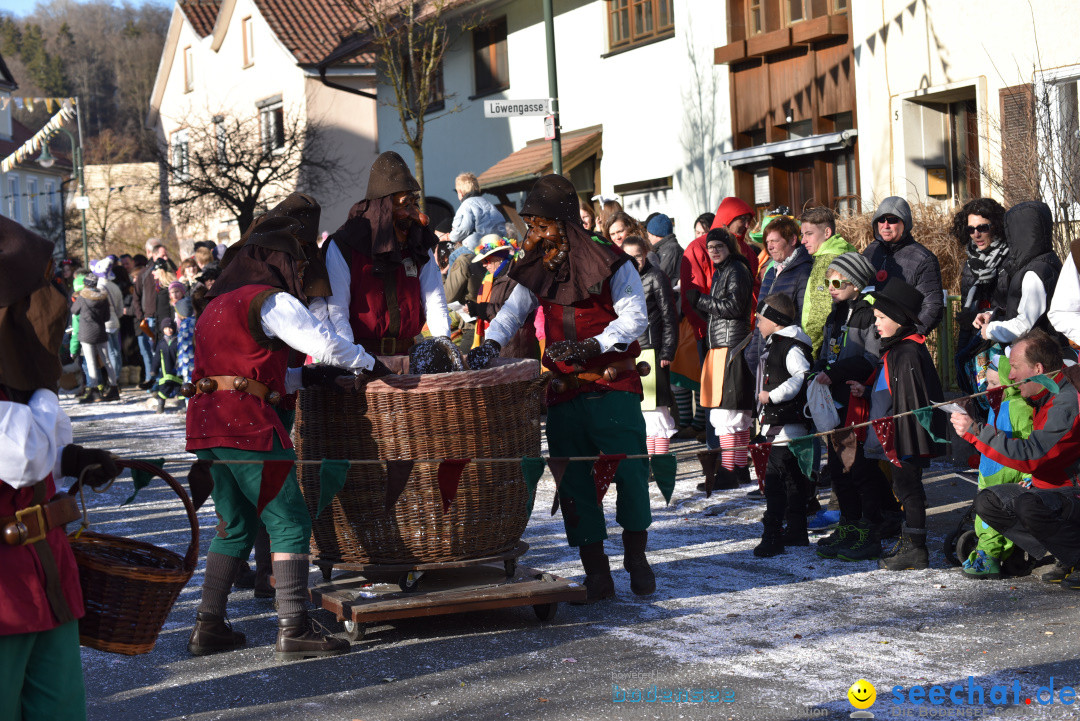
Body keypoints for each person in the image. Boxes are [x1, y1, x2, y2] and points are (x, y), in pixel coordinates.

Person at [185, 215, 392, 661]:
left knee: (235, 525)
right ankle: (294, 628)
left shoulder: (216, 305)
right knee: (290, 520)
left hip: (210, 424)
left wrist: (308, 380)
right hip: (248, 426)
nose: (301, 272)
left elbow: (241, 373)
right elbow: (327, 344)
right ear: (278, 262)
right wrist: (371, 365)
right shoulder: (270, 301)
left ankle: (208, 626)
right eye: (295, 263)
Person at [468, 174, 653, 603]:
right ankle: (597, 573)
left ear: (565, 224)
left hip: (613, 389)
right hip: (564, 395)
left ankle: (636, 559)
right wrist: (489, 345)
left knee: (630, 474)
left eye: (540, 225)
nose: (533, 235)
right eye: (530, 225)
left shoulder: (614, 263)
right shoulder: (538, 268)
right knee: (574, 484)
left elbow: (634, 320)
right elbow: (511, 313)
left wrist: (592, 344)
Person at [1, 217, 120, 720]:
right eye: (42, 288)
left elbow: (41, 446)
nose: (57, 305)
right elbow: (22, 457)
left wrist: (72, 458)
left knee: (60, 710)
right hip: (4, 594)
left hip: (44, 576)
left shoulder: (13, 372)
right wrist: (48, 386)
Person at [951, 329, 1080, 585]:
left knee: (1028, 505)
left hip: (1072, 492)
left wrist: (976, 432)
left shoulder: (1067, 401)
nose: (1009, 376)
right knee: (988, 500)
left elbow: (1033, 455)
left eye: (1015, 367)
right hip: (1052, 489)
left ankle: (1075, 555)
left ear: (1038, 368)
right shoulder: (1043, 394)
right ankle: (1064, 552)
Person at [321, 151, 451, 357]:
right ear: (383, 208)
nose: (419, 217)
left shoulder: (418, 242)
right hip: (364, 358)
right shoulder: (344, 246)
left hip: (410, 356)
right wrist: (351, 362)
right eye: (405, 205)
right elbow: (337, 313)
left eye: (414, 203)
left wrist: (443, 343)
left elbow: (434, 299)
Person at [857, 277, 946, 571]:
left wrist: (903, 442)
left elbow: (911, 403)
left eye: (882, 318)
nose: (877, 323)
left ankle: (916, 547)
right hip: (899, 434)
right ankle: (911, 541)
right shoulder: (898, 349)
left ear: (899, 318)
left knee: (909, 487)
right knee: (904, 486)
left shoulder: (907, 352)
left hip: (906, 436)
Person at [810, 253, 890, 562]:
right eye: (827, 282)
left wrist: (836, 373)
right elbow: (828, 352)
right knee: (838, 470)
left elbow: (871, 358)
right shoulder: (836, 312)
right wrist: (816, 369)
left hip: (857, 398)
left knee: (859, 468)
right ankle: (849, 525)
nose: (830, 287)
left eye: (836, 281)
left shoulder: (866, 314)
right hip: (835, 399)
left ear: (855, 283)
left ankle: (869, 530)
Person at [684, 228, 754, 490]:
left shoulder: (735, 269)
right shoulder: (726, 269)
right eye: (710, 247)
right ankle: (738, 468)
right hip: (726, 345)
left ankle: (728, 470)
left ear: (729, 247)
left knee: (728, 411)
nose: (713, 251)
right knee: (735, 411)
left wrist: (700, 300)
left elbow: (734, 308)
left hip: (730, 346)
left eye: (719, 246)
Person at [960, 350, 1033, 579]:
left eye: (994, 382)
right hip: (990, 469)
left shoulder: (1019, 407)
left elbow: (1029, 440)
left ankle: (990, 557)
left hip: (1009, 471)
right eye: (987, 383)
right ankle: (988, 552)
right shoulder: (996, 406)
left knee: (996, 516)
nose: (988, 388)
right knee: (983, 515)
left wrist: (1029, 475)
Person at [751, 293, 814, 557]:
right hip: (778, 427)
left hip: (787, 428)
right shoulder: (775, 343)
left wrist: (772, 395)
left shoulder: (790, 347)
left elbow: (802, 375)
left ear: (775, 321)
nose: (757, 323)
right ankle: (797, 531)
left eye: (761, 318)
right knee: (791, 480)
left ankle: (773, 535)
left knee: (776, 482)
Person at [972, 201, 1067, 351]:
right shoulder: (1046, 261)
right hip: (1043, 352)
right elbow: (1026, 311)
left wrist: (990, 330)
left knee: (992, 374)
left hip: (1039, 357)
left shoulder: (1034, 272)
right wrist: (994, 314)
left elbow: (1025, 324)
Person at [622, 235, 678, 457]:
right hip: (630, 353)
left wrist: (667, 350)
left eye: (638, 256)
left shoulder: (656, 276)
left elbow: (669, 316)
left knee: (657, 412)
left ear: (645, 254)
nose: (635, 261)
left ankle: (659, 463)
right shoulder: (621, 279)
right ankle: (647, 464)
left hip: (652, 351)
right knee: (640, 413)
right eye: (629, 257)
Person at [862, 197, 944, 335]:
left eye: (892, 220)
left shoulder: (923, 259)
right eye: (881, 220)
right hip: (868, 336)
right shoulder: (871, 251)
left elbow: (932, 307)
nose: (885, 225)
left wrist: (909, 336)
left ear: (905, 224)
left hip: (899, 340)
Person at [744, 216, 813, 376]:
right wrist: (752, 353)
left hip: (787, 359)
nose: (770, 247)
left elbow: (805, 319)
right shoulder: (770, 272)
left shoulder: (803, 271)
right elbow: (760, 317)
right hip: (763, 357)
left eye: (774, 241)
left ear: (792, 240)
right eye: (767, 243)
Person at [952, 198, 1008, 362]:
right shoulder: (970, 263)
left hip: (1003, 341)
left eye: (982, 228)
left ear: (995, 226)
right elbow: (966, 312)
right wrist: (962, 351)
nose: (976, 234)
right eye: (971, 229)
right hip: (976, 342)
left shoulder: (1010, 259)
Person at [466, 234, 538, 359]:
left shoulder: (515, 278)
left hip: (514, 349)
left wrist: (481, 309)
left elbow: (513, 310)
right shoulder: (491, 279)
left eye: (486, 260)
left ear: (499, 258)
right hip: (499, 345)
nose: (483, 265)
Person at [798, 207, 856, 358]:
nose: (803, 240)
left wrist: (808, 351)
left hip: (820, 350)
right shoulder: (843, 252)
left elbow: (820, 313)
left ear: (827, 233)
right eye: (802, 235)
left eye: (809, 234)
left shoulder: (827, 261)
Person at [72, 272, 121, 403]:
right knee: (107, 361)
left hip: (86, 333)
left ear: (86, 284)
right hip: (100, 332)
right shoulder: (102, 297)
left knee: (91, 362)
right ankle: (114, 388)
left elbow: (73, 310)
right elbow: (106, 318)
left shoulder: (82, 297)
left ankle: (94, 391)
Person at [449, 172, 505, 251]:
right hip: (495, 245)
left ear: (460, 192)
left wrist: (451, 236)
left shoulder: (466, 205)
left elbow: (464, 229)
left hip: (475, 247)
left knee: (453, 257)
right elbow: (501, 223)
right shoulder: (488, 204)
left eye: (457, 192)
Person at [645, 213, 683, 287]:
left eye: (649, 235)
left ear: (656, 234)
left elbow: (661, 276)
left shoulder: (671, 250)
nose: (648, 238)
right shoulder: (663, 248)